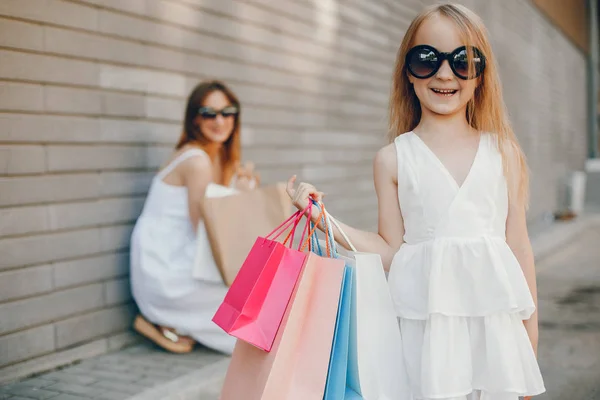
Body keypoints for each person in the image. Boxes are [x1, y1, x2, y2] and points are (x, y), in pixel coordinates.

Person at [286, 4, 545, 400]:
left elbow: (519, 246)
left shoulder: (503, 153)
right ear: (408, 72)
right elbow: (391, 250)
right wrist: (326, 222)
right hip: (424, 338)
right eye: (427, 59)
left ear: (481, 75)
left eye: (463, 61)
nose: (444, 74)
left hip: (494, 335)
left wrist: (529, 335)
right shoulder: (393, 158)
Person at [130, 80, 259, 355]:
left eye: (227, 112)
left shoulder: (212, 158)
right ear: (195, 119)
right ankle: (167, 320)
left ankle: (177, 325)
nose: (220, 120)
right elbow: (204, 230)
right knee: (253, 300)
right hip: (166, 269)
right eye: (209, 113)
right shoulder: (197, 160)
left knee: (255, 297)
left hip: (171, 257)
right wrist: (242, 197)